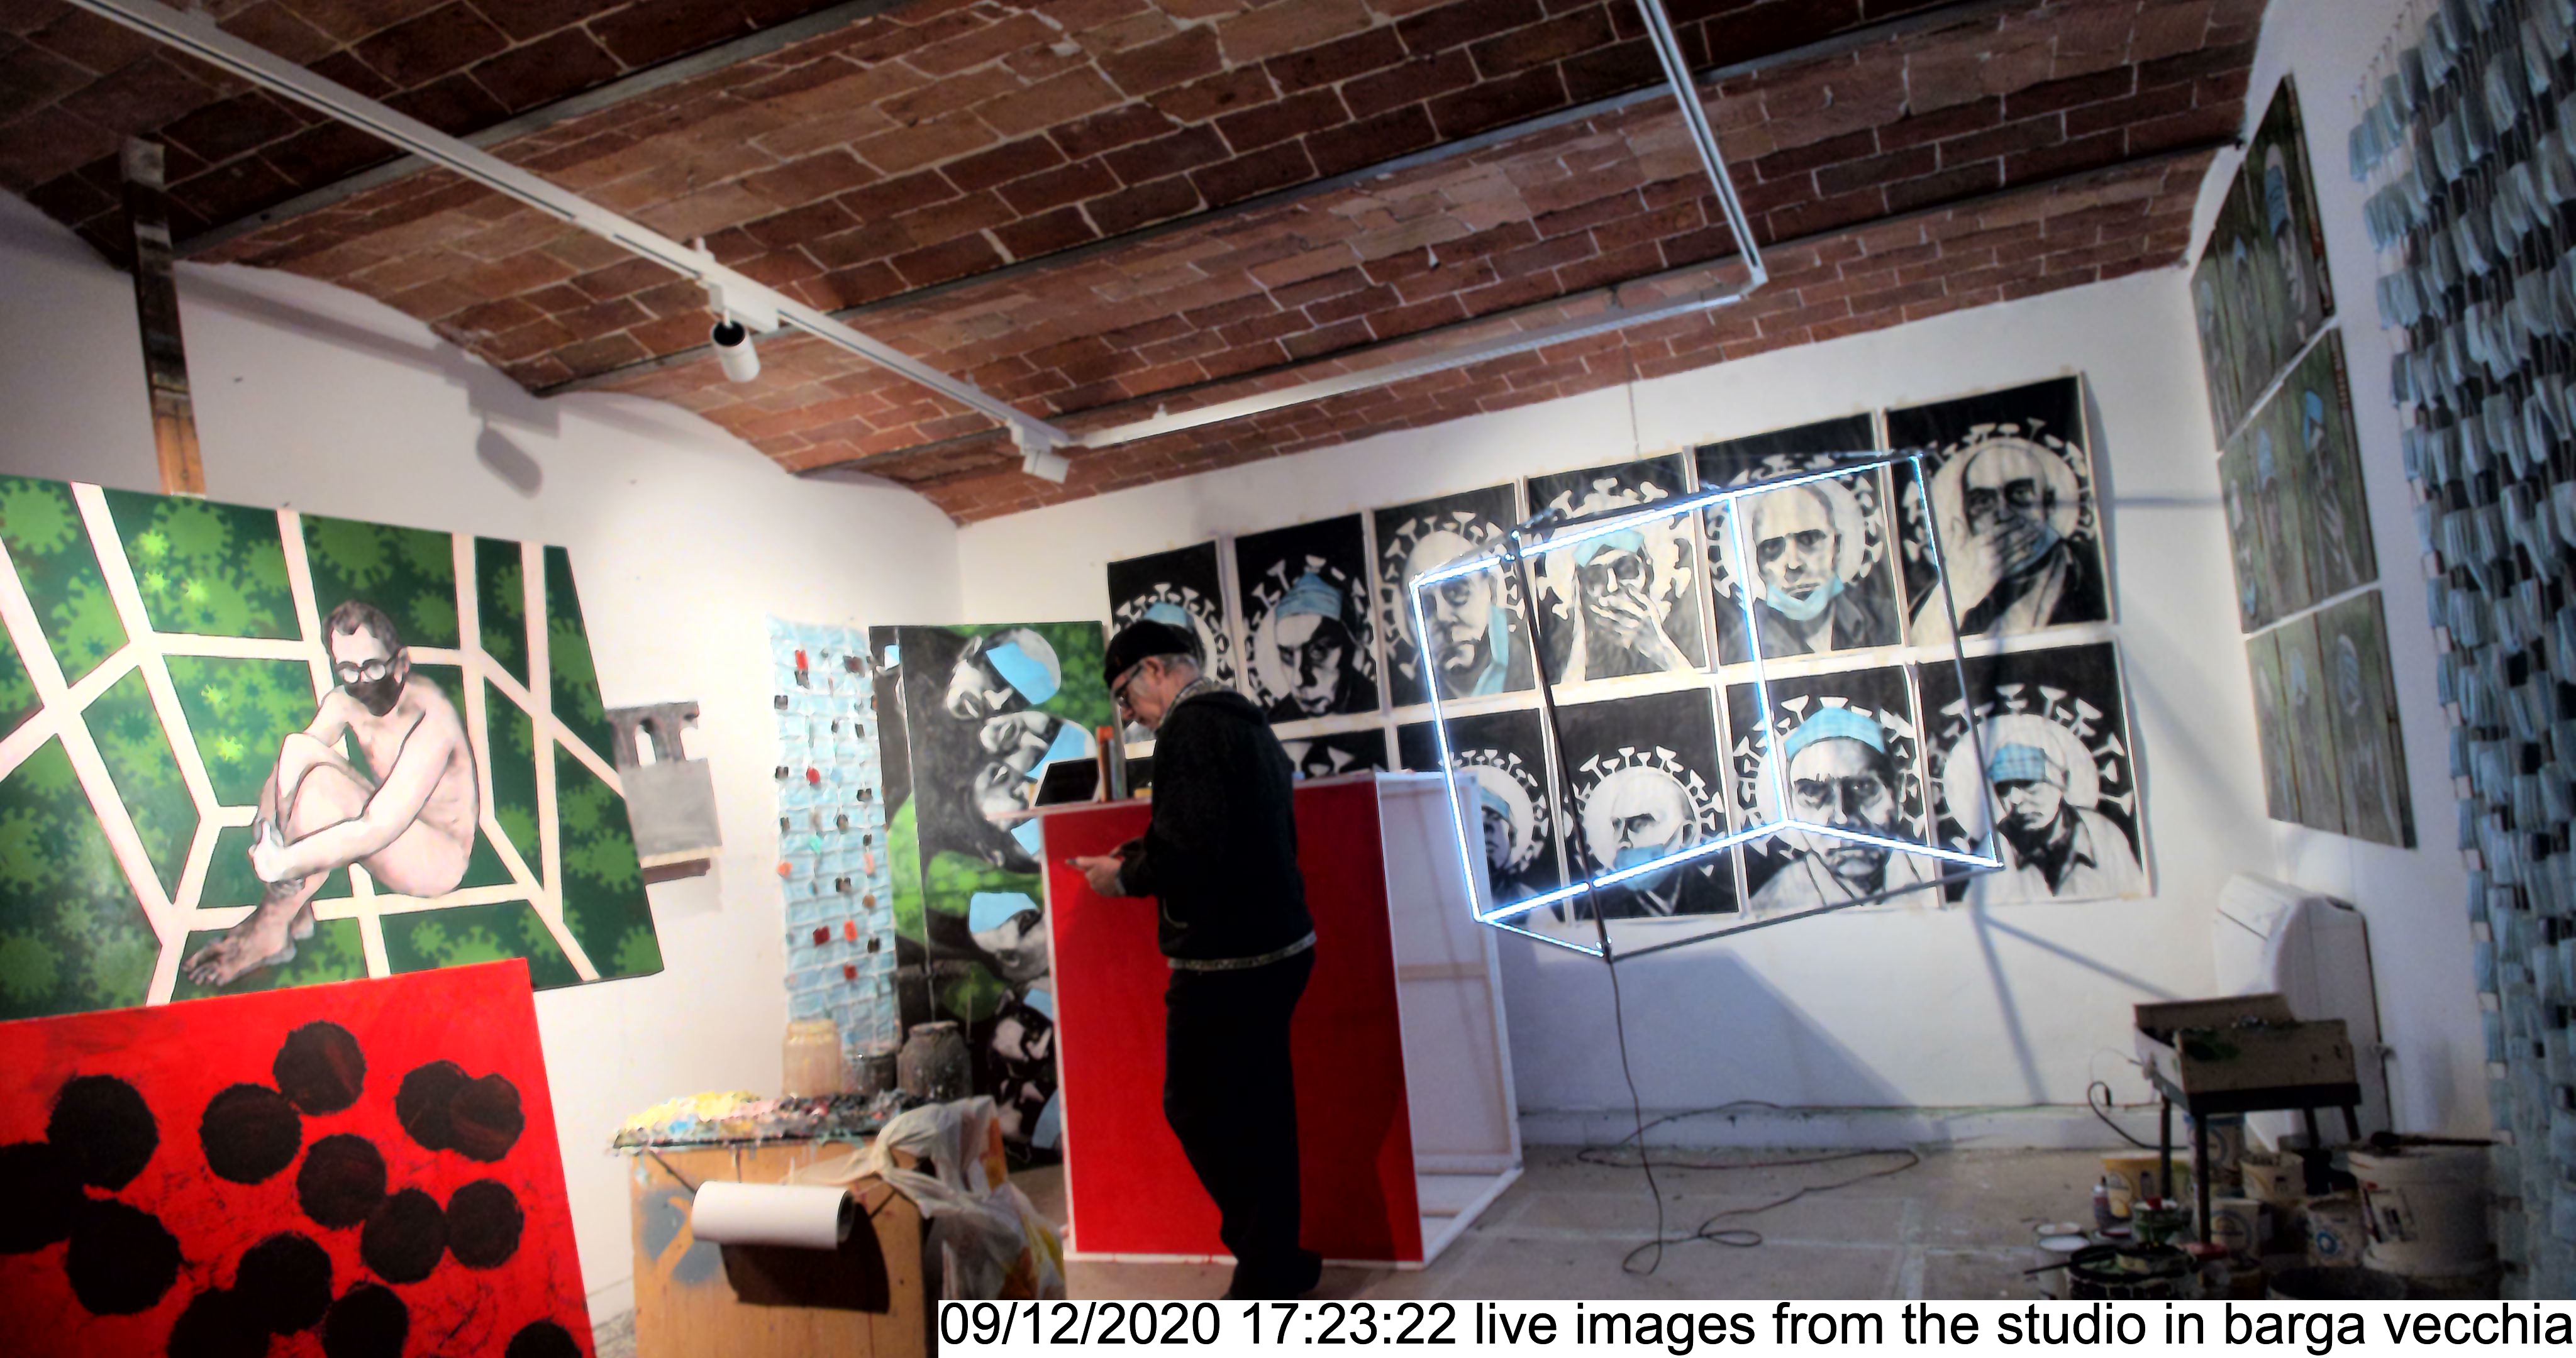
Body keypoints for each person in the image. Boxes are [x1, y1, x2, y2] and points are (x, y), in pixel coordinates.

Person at [1068, 621, 1321, 1300]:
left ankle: (1267, 1266)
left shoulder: (1189, 729)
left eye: (1125, 696)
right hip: (1280, 948)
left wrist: (1123, 878)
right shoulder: (1242, 719)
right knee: (1263, 1114)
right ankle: (1281, 1262)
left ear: (1153, 669)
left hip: (1226, 965)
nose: (1128, 715)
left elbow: (1191, 855)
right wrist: (1140, 852)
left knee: (1197, 1109)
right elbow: (1223, 833)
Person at [182, 601, 478, 986]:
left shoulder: (432, 717)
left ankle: (270, 927)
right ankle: (287, 907)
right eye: (349, 670)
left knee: (323, 788)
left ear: (401, 663)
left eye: (374, 667)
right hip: (393, 831)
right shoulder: (344, 702)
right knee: (297, 748)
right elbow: (288, 765)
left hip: (437, 861)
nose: (363, 682)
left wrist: (285, 864)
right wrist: (267, 829)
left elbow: (378, 825)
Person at [1912, 439, 2104, 640]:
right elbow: (1921, 647)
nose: (2004, 514)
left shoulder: (2090, 575)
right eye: (1983, 501)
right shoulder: (1951, 589)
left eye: (2020, 493)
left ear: (2049, 504)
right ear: (1967, 517)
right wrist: (1957, 595)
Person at [1750, 707, 1936, 911]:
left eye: (1862, 787)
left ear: (1899, 791)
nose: (1842, 817)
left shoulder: (1942, 880)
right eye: (1813, 793)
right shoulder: (1771, 906)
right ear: (1791, 806)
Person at [1735, 483, 1896, 656]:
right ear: (1758, 563)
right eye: (1772, 547)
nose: (1794, 564)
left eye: (1809, 540)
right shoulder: (1738, 648)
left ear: (1837, 547)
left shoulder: (1887, 621)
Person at [1985, 741, 2143, 900]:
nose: (2015, 800)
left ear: (2063, 781)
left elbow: (2135, 895)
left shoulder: (2103, 834)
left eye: (2028, 783)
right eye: (2003, 788)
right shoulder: (1992, 847)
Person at [1553, 530, 1693, 678]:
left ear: (1648, 575)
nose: (1611, 587)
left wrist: (1660, 649)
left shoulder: (1682, 629)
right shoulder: (1567, 649)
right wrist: (1580, 640)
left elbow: (1699, 687)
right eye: (1596, 577)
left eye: (1626, 570)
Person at [1404, 530, 1528, 698]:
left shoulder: (1530, 667)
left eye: (1456, 591)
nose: (1442, 616)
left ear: (1491, 590)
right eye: (1425, 605)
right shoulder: (1412, 695)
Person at [1265, 571, 1374, 720]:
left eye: (1318, 651)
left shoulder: (1384, 707)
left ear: (1353, 645)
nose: (1298, 680)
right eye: (1288, 655)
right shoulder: (1276, 724)